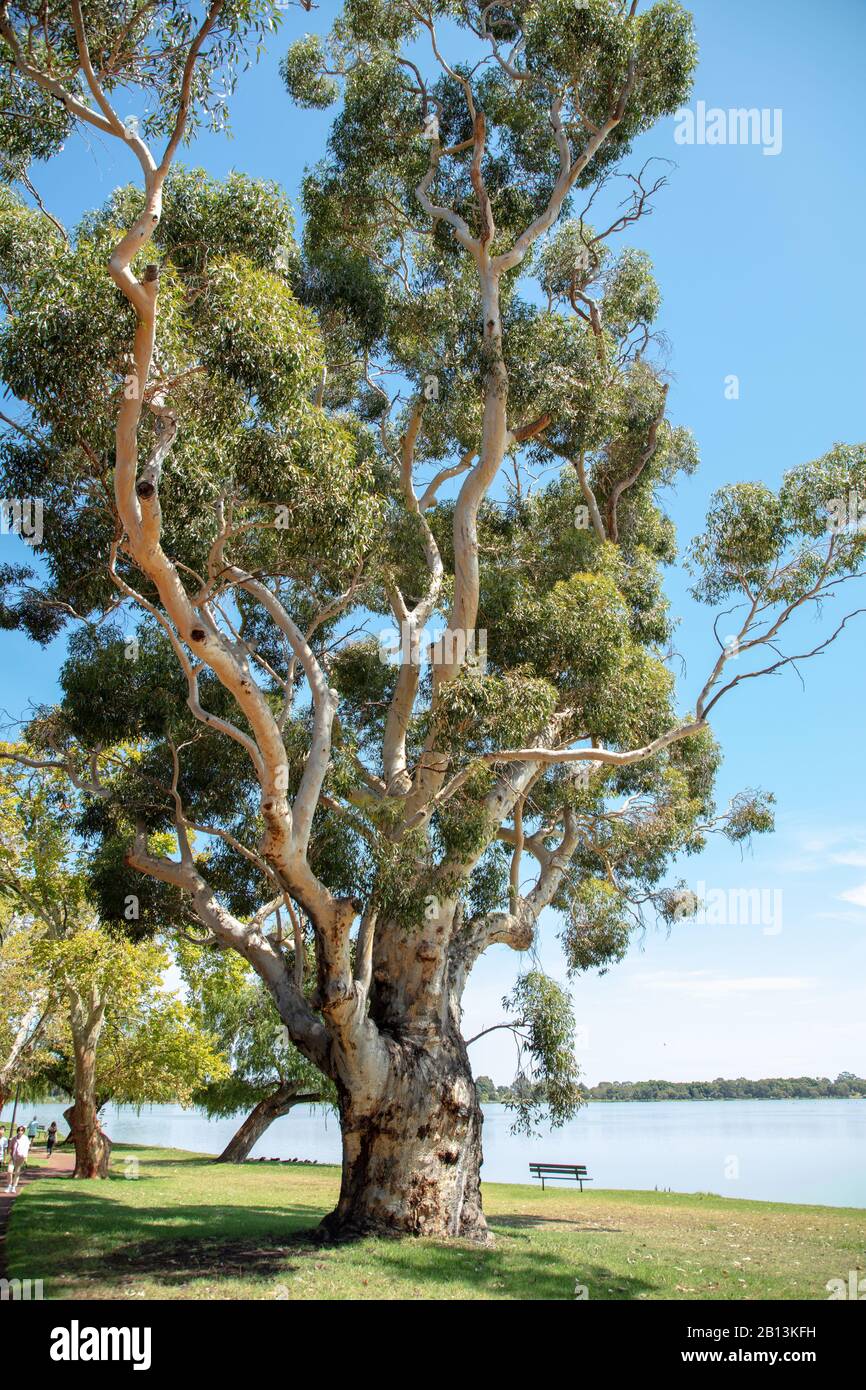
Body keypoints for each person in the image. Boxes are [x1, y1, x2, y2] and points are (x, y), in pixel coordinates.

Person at [5, 1126, 30, 1193]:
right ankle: (9, 1185)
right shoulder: (14, 1138)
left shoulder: (25, 1139)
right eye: (19, 1130)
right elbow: (10, 1148)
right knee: (9, 1171)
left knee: (17, 1172)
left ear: (23, 1131)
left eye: (21, 1130)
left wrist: (26, 1158)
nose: (20, 1132)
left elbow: (26, 1148)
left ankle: (14, 1187)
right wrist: (9, 1155)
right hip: (13, 1157)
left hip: (21, 1157)